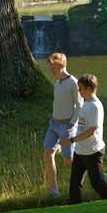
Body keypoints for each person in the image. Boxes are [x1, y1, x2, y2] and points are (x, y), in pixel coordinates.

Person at [60, 73, 107, 203]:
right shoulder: (86, 103)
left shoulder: (94, 106)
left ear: (89, 88)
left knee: (97, 183)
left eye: (80, 88)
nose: (79, 91)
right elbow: (81, 126)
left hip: (93, 151)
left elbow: (91, 131)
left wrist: (71, 141)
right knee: (75, 182)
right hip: (80, 151)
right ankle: (74, 205)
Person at [42, 51, 82, 198]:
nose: (51, 70)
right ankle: (54, 191)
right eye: (50, 68)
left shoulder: (73, 83)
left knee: (68, 161)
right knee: (47, 154)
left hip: (67, 126)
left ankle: (90, 174)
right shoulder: (57, 83)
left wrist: (72, 124)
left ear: (62, 65)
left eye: (53, 67)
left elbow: (79, 105)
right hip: (54, 124)